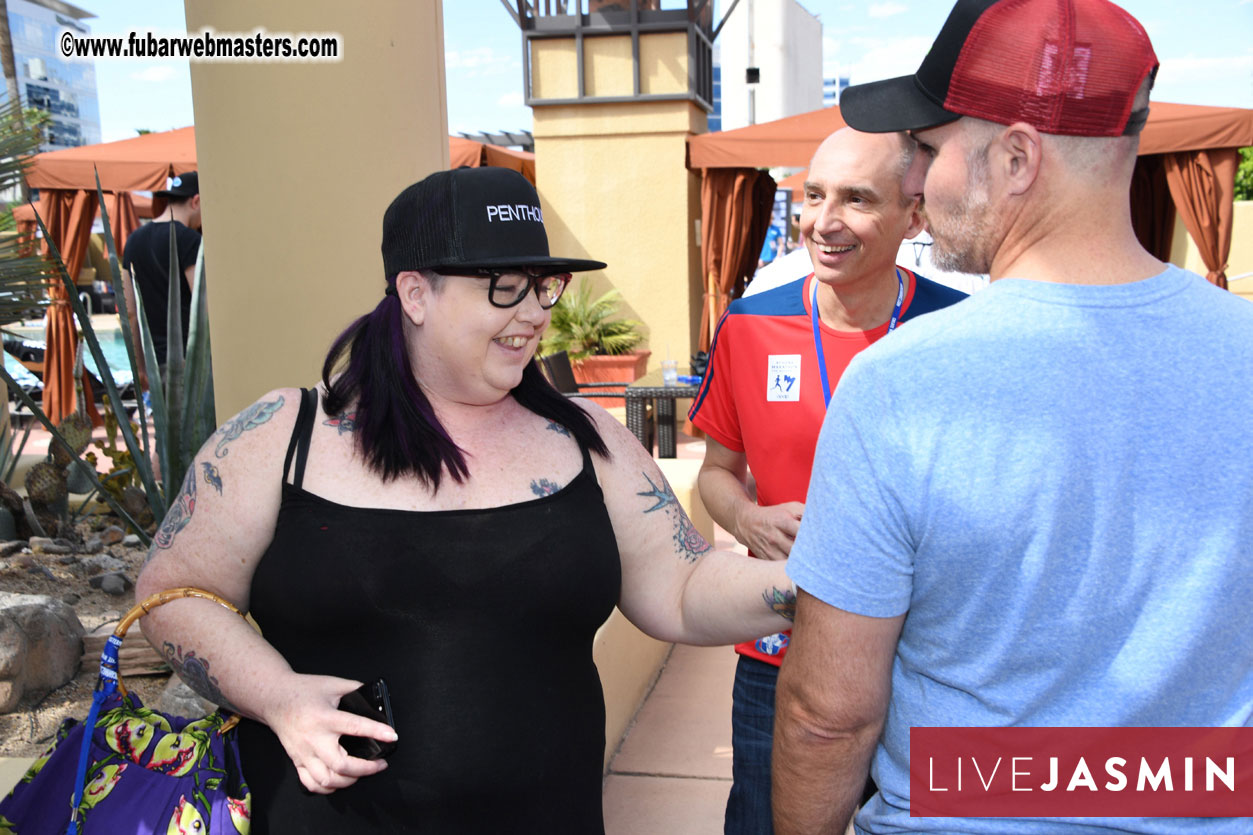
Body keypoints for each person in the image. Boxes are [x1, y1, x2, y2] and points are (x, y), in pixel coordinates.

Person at [135, 166, 797, 834]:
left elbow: (683, 585)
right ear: (415, 294)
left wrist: (814, 581)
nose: (535, 313)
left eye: (543, 286)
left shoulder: (587, 438)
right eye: (504, 287)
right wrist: (279, 698)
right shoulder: (283, 436)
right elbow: (172, 593)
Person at [773, 1, 1253, 833]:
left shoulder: (900, 385)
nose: (914, 183)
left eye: (928, 150)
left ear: (1017, 157)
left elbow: (828, 714)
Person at [688, 127, 967, 834]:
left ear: (914, 215)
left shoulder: (959, 332)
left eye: (856, 199)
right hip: (780, 650)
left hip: (924, 659)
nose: (823, 220)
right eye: (813, 196)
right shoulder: (749, 327)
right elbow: (715, 475)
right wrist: (746, 519)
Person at [121, 170, 202, 369]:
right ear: (196, 201)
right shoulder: (190, 240)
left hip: (154, 363)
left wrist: (140, 367)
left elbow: (129, 311)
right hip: (190, 364)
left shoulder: (133, 240)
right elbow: (202, 305)